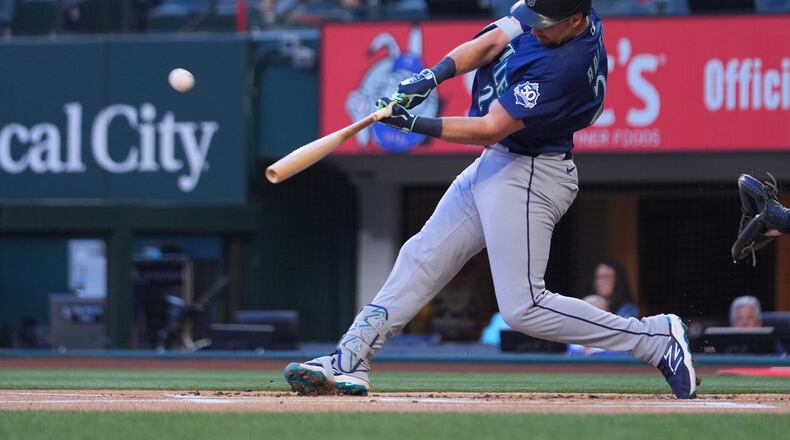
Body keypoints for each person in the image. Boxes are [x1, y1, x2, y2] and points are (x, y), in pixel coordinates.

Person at [284, 0, 697, 399]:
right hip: (501, 163)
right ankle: (349, 358)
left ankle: (654, 338)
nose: (535, 26)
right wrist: (432, 75)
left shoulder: (564, 68)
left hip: (532, 171)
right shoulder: (559, 16)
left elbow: (489, 128)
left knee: (524, 307)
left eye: (546, 22)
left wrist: (413, 123)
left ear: (575, 22)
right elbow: (491, 42)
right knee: (421, 256)